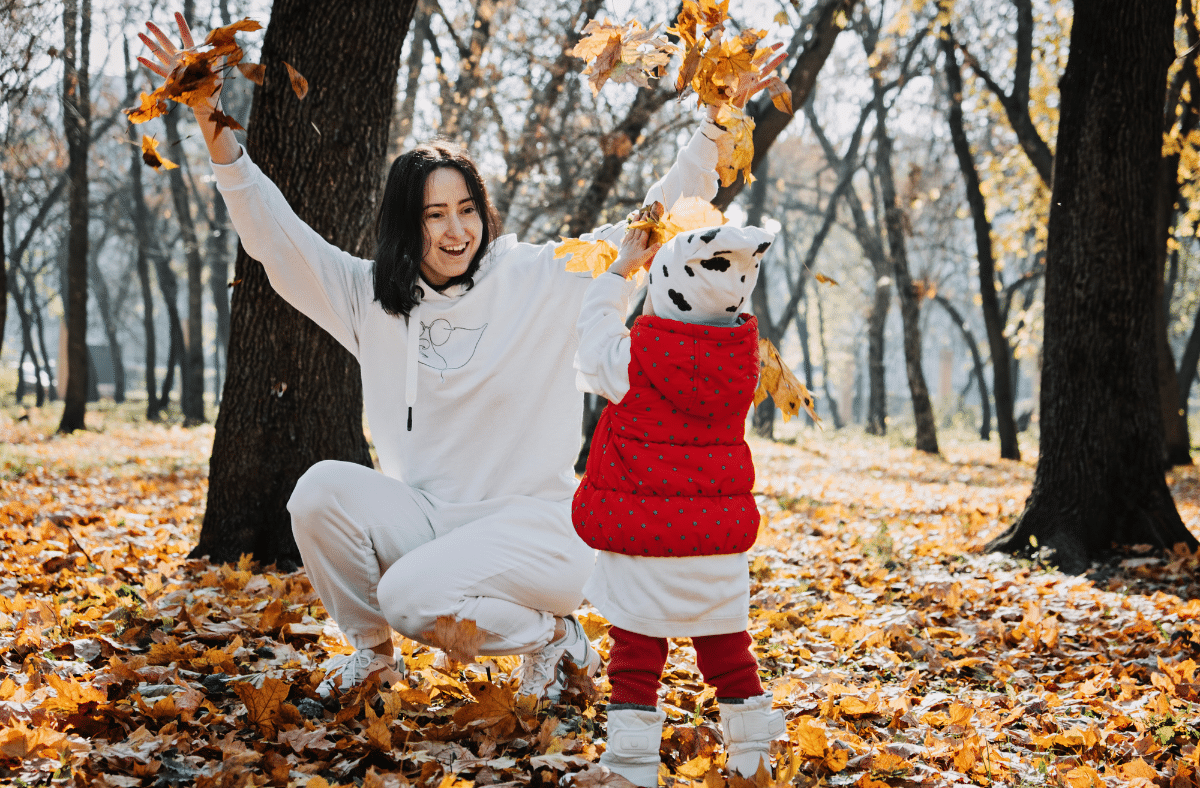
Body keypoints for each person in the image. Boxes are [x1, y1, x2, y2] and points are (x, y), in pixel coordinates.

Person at [138, 13, 784, 701]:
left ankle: (554, 638)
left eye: (466, 208)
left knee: (410, 598)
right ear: (404, 225)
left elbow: (656, 218)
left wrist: (719, 124)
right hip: (429, 520)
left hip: (544, 532)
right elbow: (275, 238)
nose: (456, 230)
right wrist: (210, 118)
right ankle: (373, 655)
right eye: (433, 214)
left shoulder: (545, 274)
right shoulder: (372, 298)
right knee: (320, 491)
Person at [571, 224, 787, 784]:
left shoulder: (631, 361)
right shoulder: (743, 366)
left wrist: (621, 272)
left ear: (667, 284)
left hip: (644, 542)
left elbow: (591, 335)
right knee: (729, 652)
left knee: (635, 657)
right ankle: (753, 757)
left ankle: (632, 765)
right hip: (714, 544)